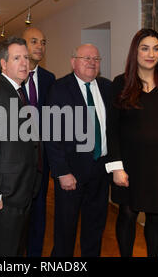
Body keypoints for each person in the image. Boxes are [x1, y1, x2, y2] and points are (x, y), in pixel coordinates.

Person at [105, 29, 158, 257]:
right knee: (127, 214)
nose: (151, 53)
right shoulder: (120, 83)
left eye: (156, 48)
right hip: (129, 165)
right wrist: (116, 167)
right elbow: (111, 129)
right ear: (136, 51)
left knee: (156, 216)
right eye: (145, 48)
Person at [0, 37, 40, 257]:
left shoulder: (17, 91)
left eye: (26, 58)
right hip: (6, 196)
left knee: (16, 250)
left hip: (22, 190)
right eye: (17, 58)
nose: (24, 64)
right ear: (3, 64)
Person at [45, 44, 112, 257]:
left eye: (96, 58)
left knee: (95, 226)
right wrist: (62, 172)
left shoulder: (107, 88)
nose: (92, 62)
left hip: (100, 170)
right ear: (73, 62)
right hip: (70, 173)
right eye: (86, 58)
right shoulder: (59, 89)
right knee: (66, 228)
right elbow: (51, 135)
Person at [19, 27, 55, 257]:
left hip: (42, 162)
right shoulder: (6, 79)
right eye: (34, 41)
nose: (40, 46)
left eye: (43, 42)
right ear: (22, 45)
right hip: (16, 166)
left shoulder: (50, 79)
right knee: (18, 220)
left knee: (39, 216)